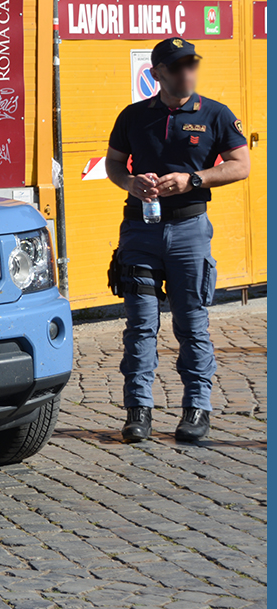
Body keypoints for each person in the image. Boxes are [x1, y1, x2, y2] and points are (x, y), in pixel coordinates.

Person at [104, 37, 250, 443]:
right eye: (178, 66)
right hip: (139, 231)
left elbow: (241, 165)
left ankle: (197, 409)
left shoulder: (215, 114)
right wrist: (131, 182)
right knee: (140, 325)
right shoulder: (133, 116)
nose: (187, 72)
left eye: (192, 65)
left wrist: (194, 179)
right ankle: (138, 410)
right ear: (157, 74)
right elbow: (114, 164)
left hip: (189, 231)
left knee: (192, 324)